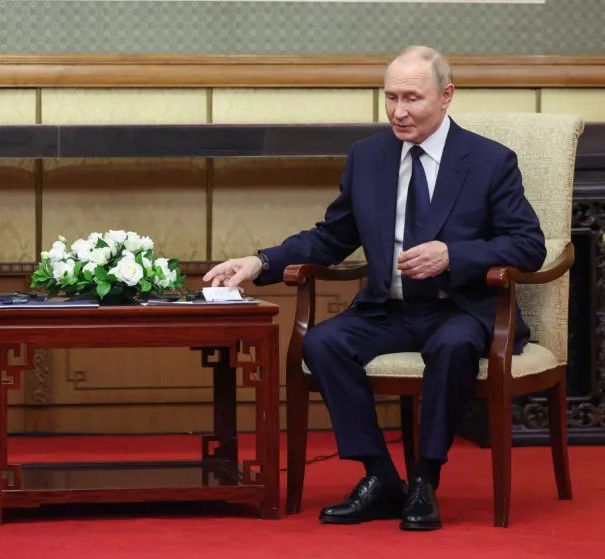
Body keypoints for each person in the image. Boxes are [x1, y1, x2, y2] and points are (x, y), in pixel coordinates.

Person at [202, 46, 546, 531]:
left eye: (412, 98)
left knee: (452, 345)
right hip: (388, 309)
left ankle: (425, 480)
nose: (398, 112)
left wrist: (454, 254)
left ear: (446, 96)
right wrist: (260, 262)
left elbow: (528, 246)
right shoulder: (369, 156)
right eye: (390, 98)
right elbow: (332, 236)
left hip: (460, 309)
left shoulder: (489, 161)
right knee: (322, 342)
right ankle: (381, 477)